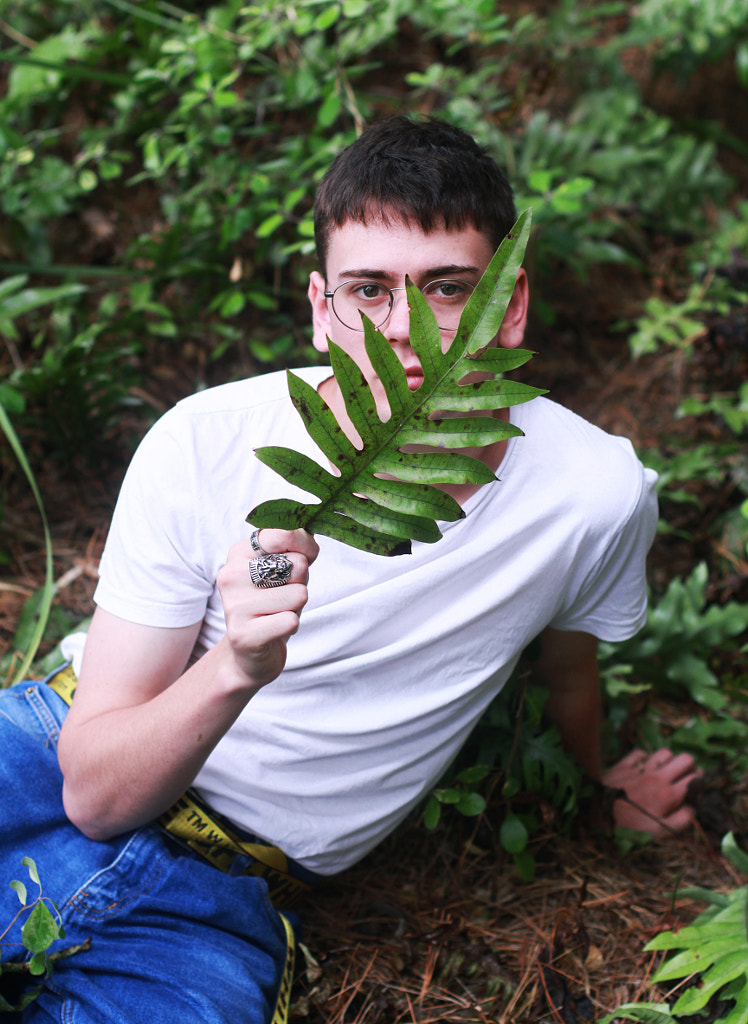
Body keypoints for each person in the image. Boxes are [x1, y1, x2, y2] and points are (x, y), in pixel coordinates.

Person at [0, 115, 700, 1023]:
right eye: (369, 290)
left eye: (449, 288)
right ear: (322, 308)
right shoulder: (207, 442)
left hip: (219, 894)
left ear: (510, 304)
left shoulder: (592, 491)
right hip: (48, 755)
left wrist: (602, 777)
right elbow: (93, 791)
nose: (407, 332)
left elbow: (569, 661)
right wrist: (233, 666)